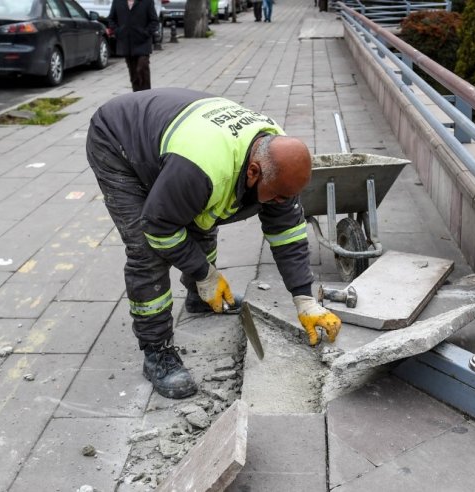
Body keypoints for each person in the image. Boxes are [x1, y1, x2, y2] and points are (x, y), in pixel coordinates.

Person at [85, 88, 342, 399]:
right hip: (117, 140)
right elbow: (159, 228)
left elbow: (287, 232)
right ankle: (157, 352)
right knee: (147, 251)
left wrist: (305, 300)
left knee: (203, 212)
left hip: (180, 145)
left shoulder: (279, 157)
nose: (278, 202)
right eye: (275, 195)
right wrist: (205, 273)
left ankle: (200, 298)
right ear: (252, 172)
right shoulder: (203, 168)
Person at [108, 0, 159, 92]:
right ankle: (136, 95)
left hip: (142, 42)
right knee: (134, 73)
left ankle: (146, 94)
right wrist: (118, 31)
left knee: (142, 67)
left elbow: (154, 21)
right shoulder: (117, 2)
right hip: (126, 42)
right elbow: (111, 19)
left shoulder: (147, 2)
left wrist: (146, 33)